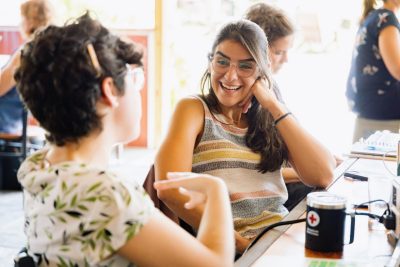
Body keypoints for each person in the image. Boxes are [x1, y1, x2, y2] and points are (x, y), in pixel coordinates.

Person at [15, 13, 234, 266]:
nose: (138, 90)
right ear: (109, 91)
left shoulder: (37, 166)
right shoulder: (106, 196)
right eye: (134, 79)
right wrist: (216, 192)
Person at [154, 19, 336, 254]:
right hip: (232, 250)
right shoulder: (193, 109)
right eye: (222, 62)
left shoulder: (269, 115)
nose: (230, 76)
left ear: (262, 71)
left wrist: (273, 104)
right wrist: (240, 244)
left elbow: (323, 175)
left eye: (245, 66)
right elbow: (169, 189)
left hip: (279, 241)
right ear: (210, 62)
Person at [346, 0, 400, 142]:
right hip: (384, 108)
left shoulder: (373, 17)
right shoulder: (387, 19)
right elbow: (398, 70)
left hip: (368, 106)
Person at [0, 0, 53, 134]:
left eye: (22, 19)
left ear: (29, 21)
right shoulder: (46, 51)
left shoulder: (25, 53)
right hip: (16, 121)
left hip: (4, 120)